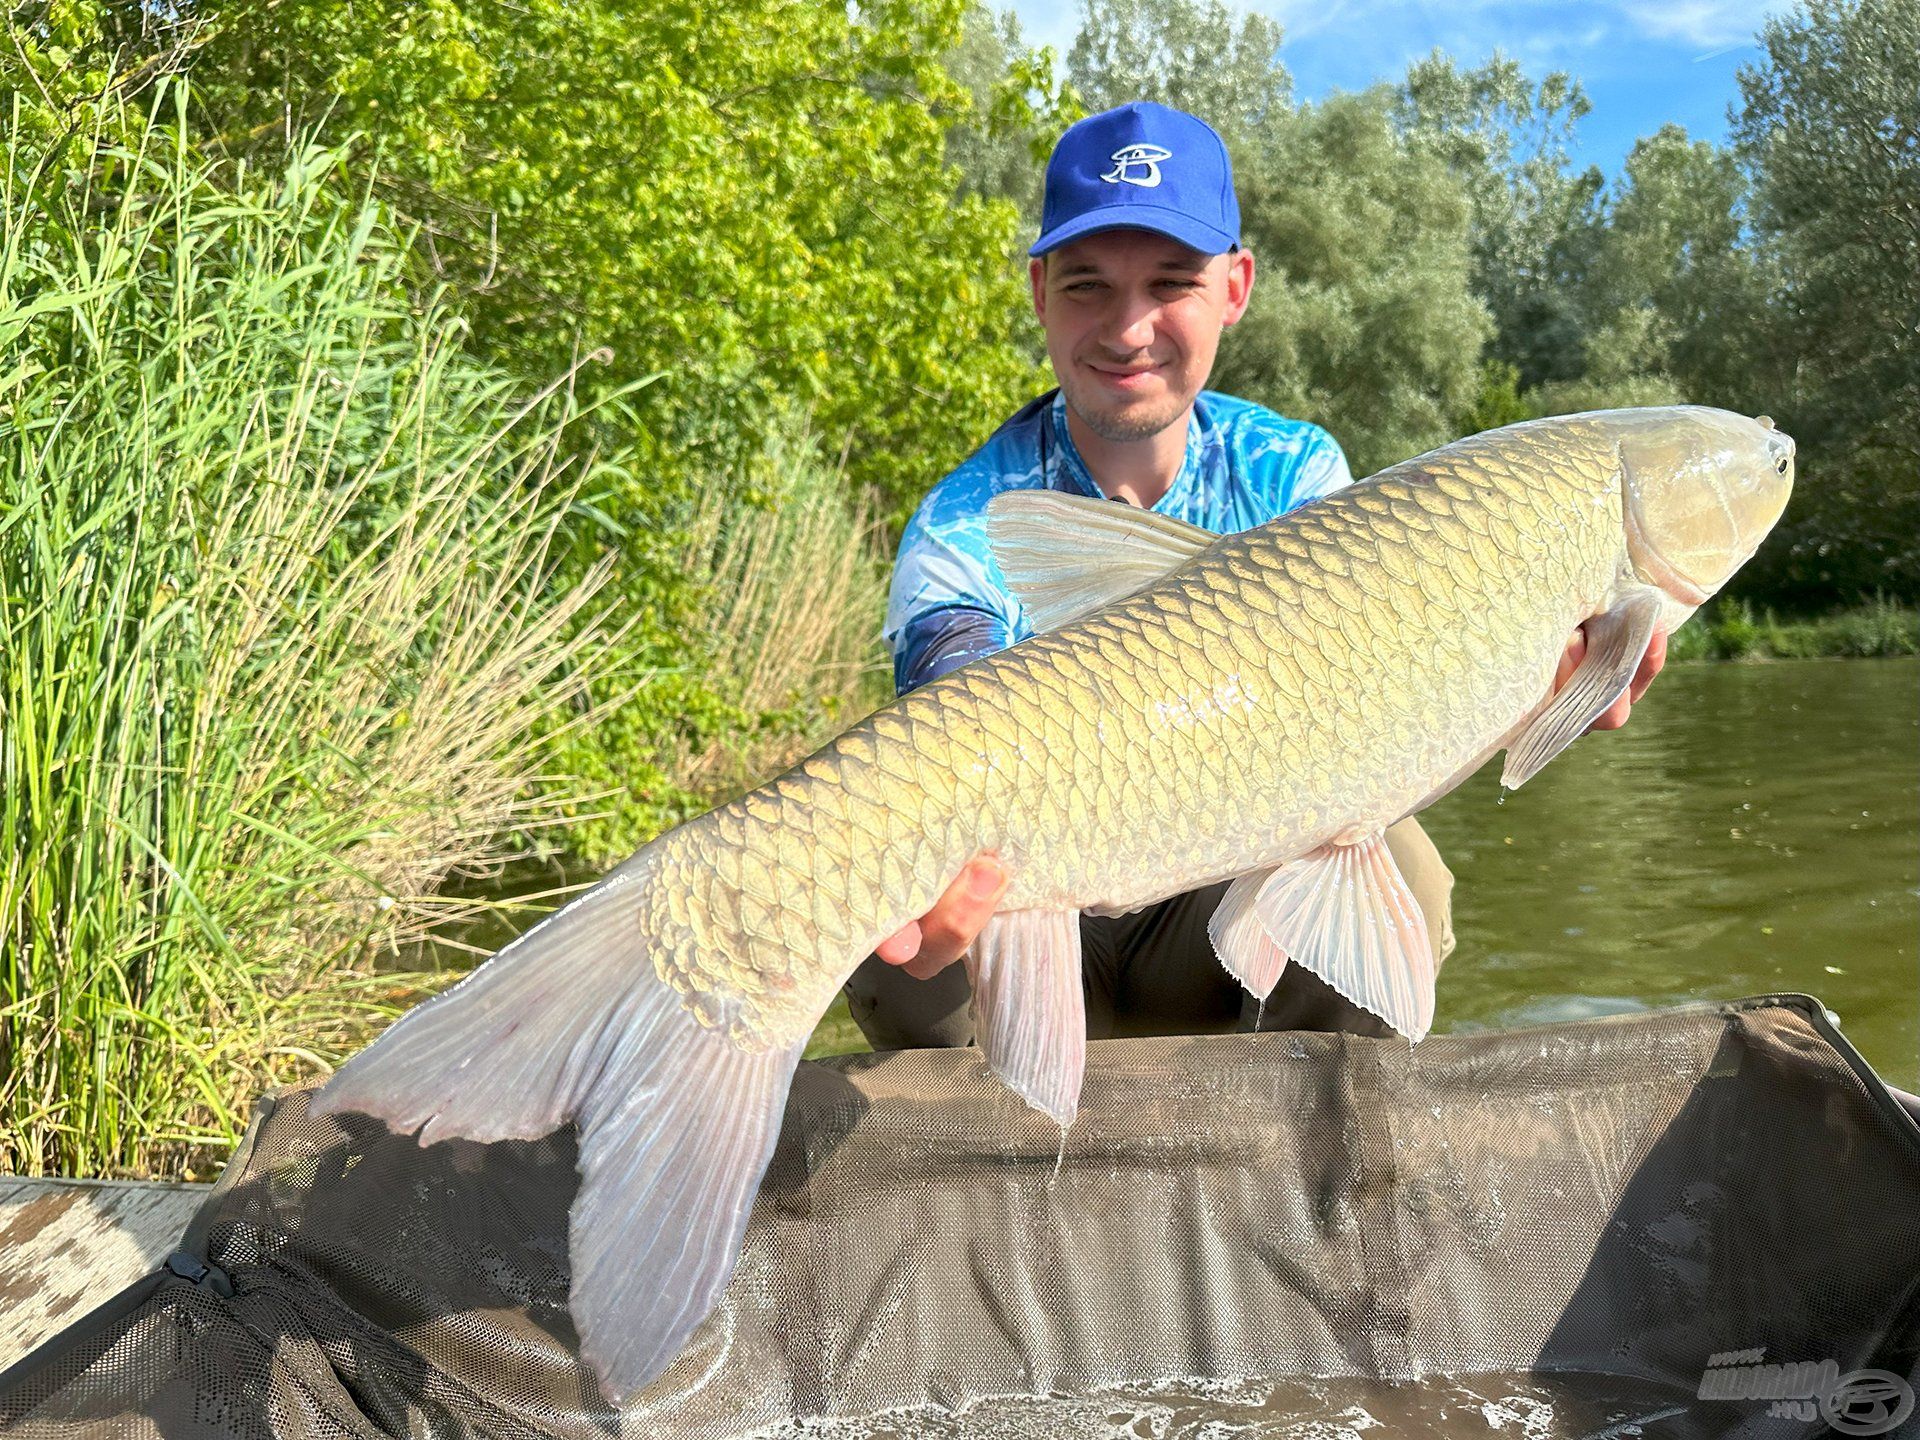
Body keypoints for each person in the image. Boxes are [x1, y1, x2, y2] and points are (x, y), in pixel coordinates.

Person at [844, 100, 1665, 1051]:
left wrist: (1529, 677)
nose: (1128, 328)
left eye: (1171, 283)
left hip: (1213, 912)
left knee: (1397, 856)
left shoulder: (1296, 477)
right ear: (1037, 291)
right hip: (1022, 917)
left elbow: (1379, 719)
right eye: (1086, 286)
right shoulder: (963, 519)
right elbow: (951, 716)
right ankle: (1010, 1158)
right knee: (882, 906)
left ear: (1235, 287)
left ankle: (1294, 1151)